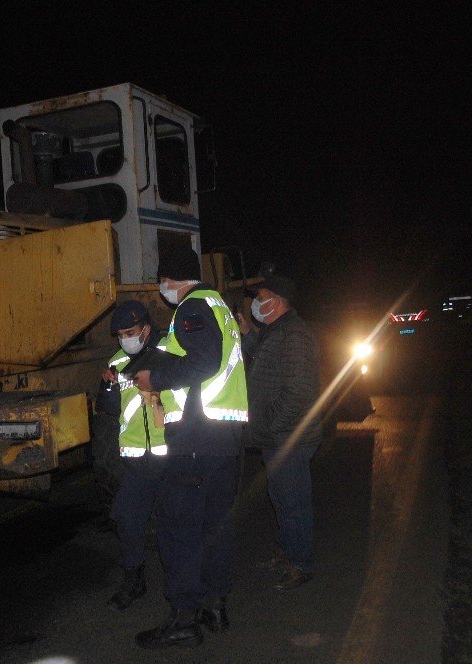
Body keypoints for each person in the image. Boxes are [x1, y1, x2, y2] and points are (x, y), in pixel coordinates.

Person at [132, 246, 248, 649]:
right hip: (223, 437)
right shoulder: (219, 305)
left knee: (179, 528)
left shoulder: (193, 308)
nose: (162, 289)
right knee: (215, 525)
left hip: (197, 439)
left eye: (162, 281)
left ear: (171, 279)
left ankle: (183, 618)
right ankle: (214, 607)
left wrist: (155, 378)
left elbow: (204, 363)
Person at [237, 273, 322, 591]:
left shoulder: (295, 335)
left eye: (260, 297)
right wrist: (247, 334)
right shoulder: (277, 331)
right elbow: (263, 359)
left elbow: (298, 394)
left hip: (290, 437)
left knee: (292, 501)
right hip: (279, 436)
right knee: (282, 497)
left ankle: (301, 564)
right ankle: (287, 551)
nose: (256, 303)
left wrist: (267, 425)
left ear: (277, 301)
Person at [102, 300, 169, 611]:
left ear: (145, 329)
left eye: (129, 332)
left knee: (174, 523)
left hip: (169, 457)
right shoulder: (116, 362)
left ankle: (182, 584)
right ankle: (134, 581)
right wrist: (107, 388)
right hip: (137, 462)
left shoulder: (170, 351)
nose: (123, 339)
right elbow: (110, 413)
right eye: (119, 334)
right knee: (128, 518)